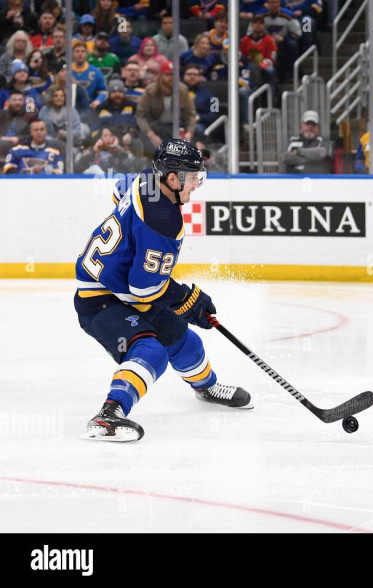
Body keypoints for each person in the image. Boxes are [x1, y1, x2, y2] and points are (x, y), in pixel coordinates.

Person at [76, 139, 252, 442]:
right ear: (172, 178)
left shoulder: (146, 179)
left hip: (124, 288)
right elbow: (145, 288)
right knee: (151, 351)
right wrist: (186, 299)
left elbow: (120, 187)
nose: (196, 184)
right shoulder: (163, 220)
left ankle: (206, 387)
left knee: (185, 340)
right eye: (192, 177)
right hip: (100, 298)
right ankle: (109, 415)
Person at [136, 61, 196, 155]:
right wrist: (151, 135)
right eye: (167, 75)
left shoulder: (183, 90)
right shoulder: (150, 91)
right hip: (155, 127)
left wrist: (189, 133)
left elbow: (190, 115)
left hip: (177, 126)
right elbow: (140, 116)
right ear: (161, 76)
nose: (170, 78)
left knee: (192, 144)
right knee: (149, 144)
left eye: (173, 75)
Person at [262, 0, 301, 83]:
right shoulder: (260, 15)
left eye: (276, 2)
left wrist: (284, 38)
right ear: (267, 4)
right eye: (272, 3)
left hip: (283, 42)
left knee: (293, 44)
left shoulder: (289, 15)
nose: (274, 5)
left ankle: (290, 75)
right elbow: (251, 32)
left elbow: (297, 33)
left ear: (280, 3)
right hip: (265, 42)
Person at [283, 109, 332, 174]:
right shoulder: (292, 140)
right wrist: (313, 159)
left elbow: (322, 153)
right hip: (294, 182)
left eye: (313, 124)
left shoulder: (324, 140)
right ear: (301, 125)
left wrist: (298, 151)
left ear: (318, 127)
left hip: (319, 181)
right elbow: (286, 158)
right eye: (307, 123)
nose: (310, 127)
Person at [0, 90, 38, 157]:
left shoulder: (30, 116)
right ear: (9, 101)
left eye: (20, 100)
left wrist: (19, 138)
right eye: (14, 100)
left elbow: (34, 134)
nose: (17, 102)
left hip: (20, 144)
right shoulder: (2, 114)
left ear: (23, 101)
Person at [71, 40, 107, 110]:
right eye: (77, 51)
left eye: (83, 51)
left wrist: (98, 101)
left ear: (87, 54)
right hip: (70, 109)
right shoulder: (66, 71)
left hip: (90, 108)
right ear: (72, 54)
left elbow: (103, 91)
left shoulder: (95, 71)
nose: (80, 54)